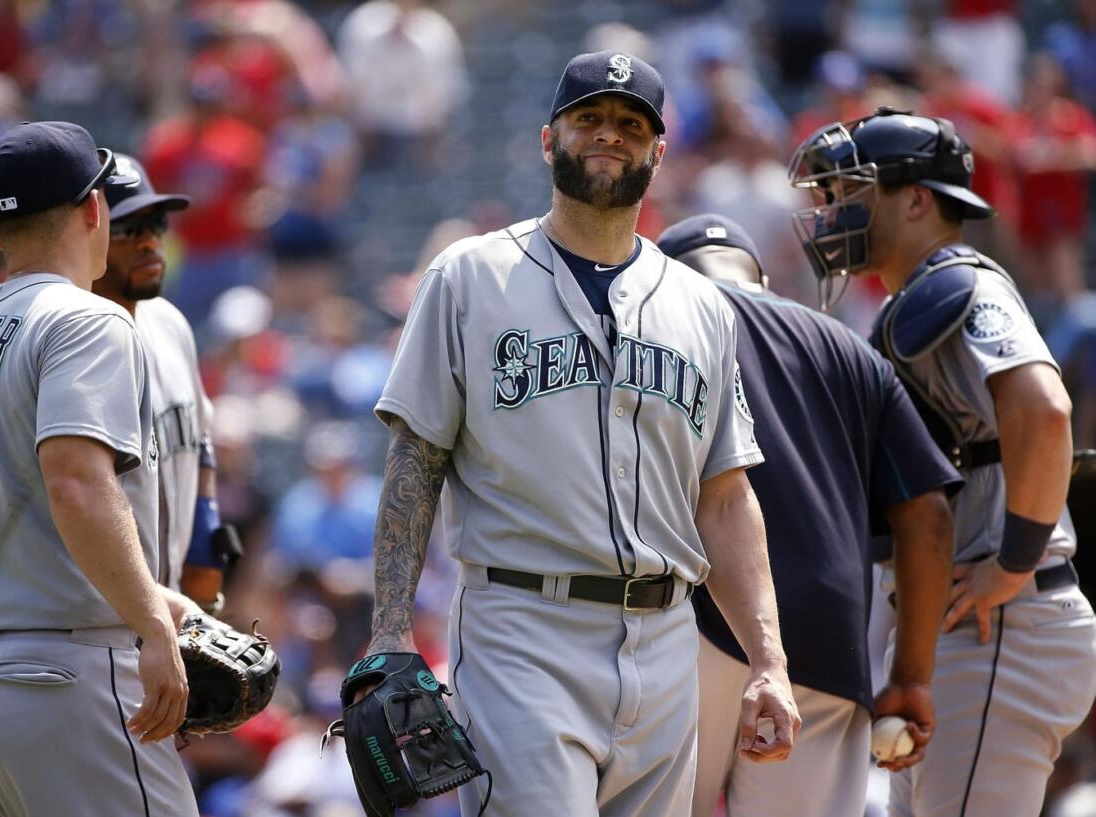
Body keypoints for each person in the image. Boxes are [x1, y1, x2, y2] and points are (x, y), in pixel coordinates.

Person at [362, 51, 800, 817]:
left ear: (658, 153)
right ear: (547, 139)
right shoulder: (468, 276)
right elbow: (415, 459)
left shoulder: (701, 307)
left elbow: (727, 498)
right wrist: (391, 626)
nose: (609, 135)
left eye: (631, 125)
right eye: (588, 118)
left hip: (667, 638)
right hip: (521, 629)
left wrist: (768, 658)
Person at [789, 107, 1096, 817]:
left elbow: (1048, 412)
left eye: (852, 193)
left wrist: (1012, 563)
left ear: (917, 199)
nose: (834, 212)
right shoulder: (919, 299)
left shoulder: (959, 285)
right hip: (979, 629)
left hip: (1004, 622)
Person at [0, 122, 199, 816]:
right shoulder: (87, 319)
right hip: (55, 685)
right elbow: (74, 484)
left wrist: (152, 594)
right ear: (96, 209)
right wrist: (151, 623)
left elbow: (22, 507)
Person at [656, 214, 960, 817]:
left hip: (694, 619)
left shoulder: (660, 322)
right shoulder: (849, 347)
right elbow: (928, 515)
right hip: (828, 637)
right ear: (762, 276)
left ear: (664, 275)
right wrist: (910, 678)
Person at [94, 152, 237, 615]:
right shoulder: (70, 341)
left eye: (156, 225)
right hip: (100, 617)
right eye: (128, 229)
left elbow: (201, 444)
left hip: (172, 605)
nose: (149, 242)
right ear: (89, 234)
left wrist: (203, 560)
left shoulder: (170, 323)